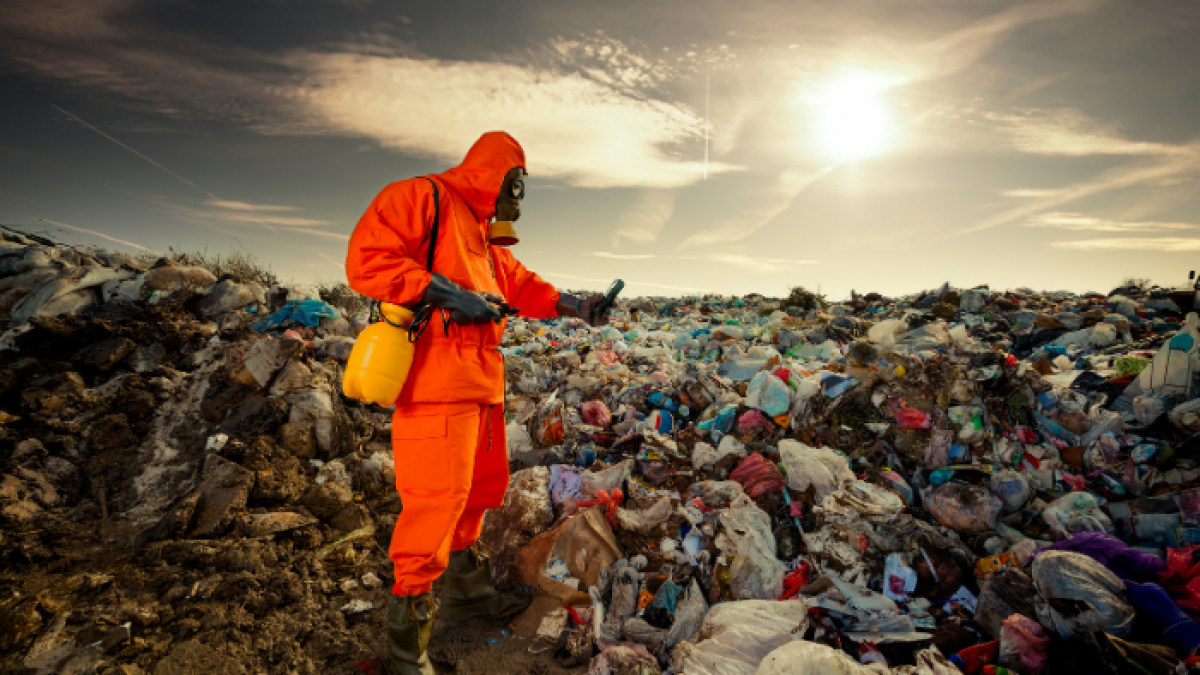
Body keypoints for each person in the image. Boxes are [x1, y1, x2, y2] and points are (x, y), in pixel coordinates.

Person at [345, 131, 609, 674]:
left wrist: (580, 305)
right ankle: (406, 646)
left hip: (483, 388)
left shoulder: (486, 242)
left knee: (481, 492)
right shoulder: (421, 198)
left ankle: (466, 595)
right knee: (436, 500)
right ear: (500, 179)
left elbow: (524, 287)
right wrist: (445, 292)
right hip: (435, 387)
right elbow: (366, 261)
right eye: (519, 188)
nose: (521, 202)